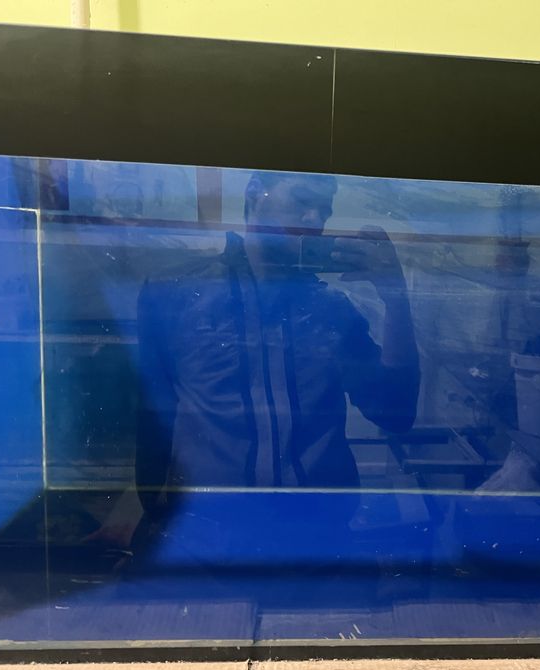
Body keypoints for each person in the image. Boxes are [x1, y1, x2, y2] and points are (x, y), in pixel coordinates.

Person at [133, 171, 421, 525]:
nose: (315, 219)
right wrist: (152, 518)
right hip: (209, 531)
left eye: (325, 210)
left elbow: (395, 413)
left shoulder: (331, 311)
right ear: (255, 194)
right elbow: (152, 421)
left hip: (317, 532)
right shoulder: (176, 295)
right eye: (303, 200)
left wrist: (395, 297)